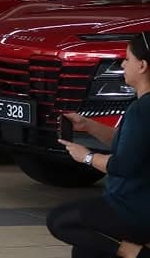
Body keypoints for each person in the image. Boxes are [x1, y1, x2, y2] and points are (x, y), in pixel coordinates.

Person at [47, 32, 150, 258]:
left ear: (142, 66)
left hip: (132, 208)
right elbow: (129, 145)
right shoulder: (142, 106)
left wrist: (85, 157)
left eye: (127, 59)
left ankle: (134, 254)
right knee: (85, 249)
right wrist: (88, 125)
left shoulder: (141, 110)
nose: (123, 64)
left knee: (61, 222)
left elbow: (123, 165)